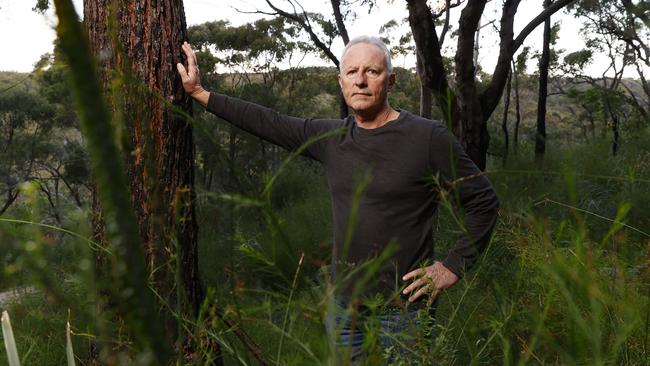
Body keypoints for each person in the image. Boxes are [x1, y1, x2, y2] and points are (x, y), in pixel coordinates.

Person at [177, 36, 499, 363]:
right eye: (351, 72)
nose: (360, 80)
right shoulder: (333, 138)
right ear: (341, 81)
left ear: (391, 80)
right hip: (344, 311)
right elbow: (268, 122)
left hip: (404, 314)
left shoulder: (428, 138)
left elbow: (484, 201)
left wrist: (452, 266)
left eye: (371, 71)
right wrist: (201, 94)